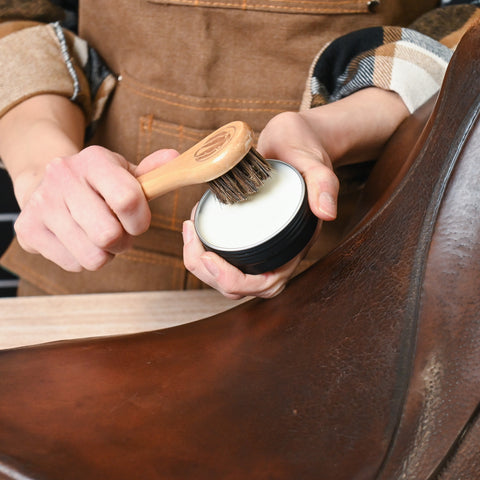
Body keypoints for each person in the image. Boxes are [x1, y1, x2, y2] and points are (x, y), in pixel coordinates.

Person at [0, 0, 478, 298]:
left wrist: (330, 132)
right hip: (86, 292)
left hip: (348, 273)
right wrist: (42, 164)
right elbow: (13, 16)